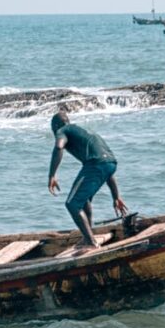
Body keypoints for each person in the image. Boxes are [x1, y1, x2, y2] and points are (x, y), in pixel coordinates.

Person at [48, 106, 128, 248]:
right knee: (83, 200)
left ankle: (91, 242)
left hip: (95, 164)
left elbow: (59, 147)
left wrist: (52, 175)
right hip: (110, 163)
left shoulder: (62, 130)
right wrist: (116, 196)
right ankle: (87, 237)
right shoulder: (82, 131)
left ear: (55, 126)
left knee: (72, 204)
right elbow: (108, 168)